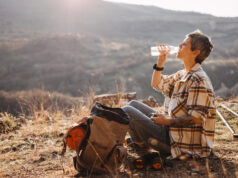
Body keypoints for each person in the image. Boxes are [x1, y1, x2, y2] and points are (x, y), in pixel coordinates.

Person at [122, 30, 216, 159]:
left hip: (179, 143)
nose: (179, 46)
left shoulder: (199, 80)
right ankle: (141, 145)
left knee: (127, 110)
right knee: (133, 104)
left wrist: (166, 121)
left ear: (195, 52)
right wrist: (160, 63)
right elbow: (157, 84)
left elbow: (197, 119)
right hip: (171, 131)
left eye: (184, 45)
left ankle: (140, 147)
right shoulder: (183, 74)